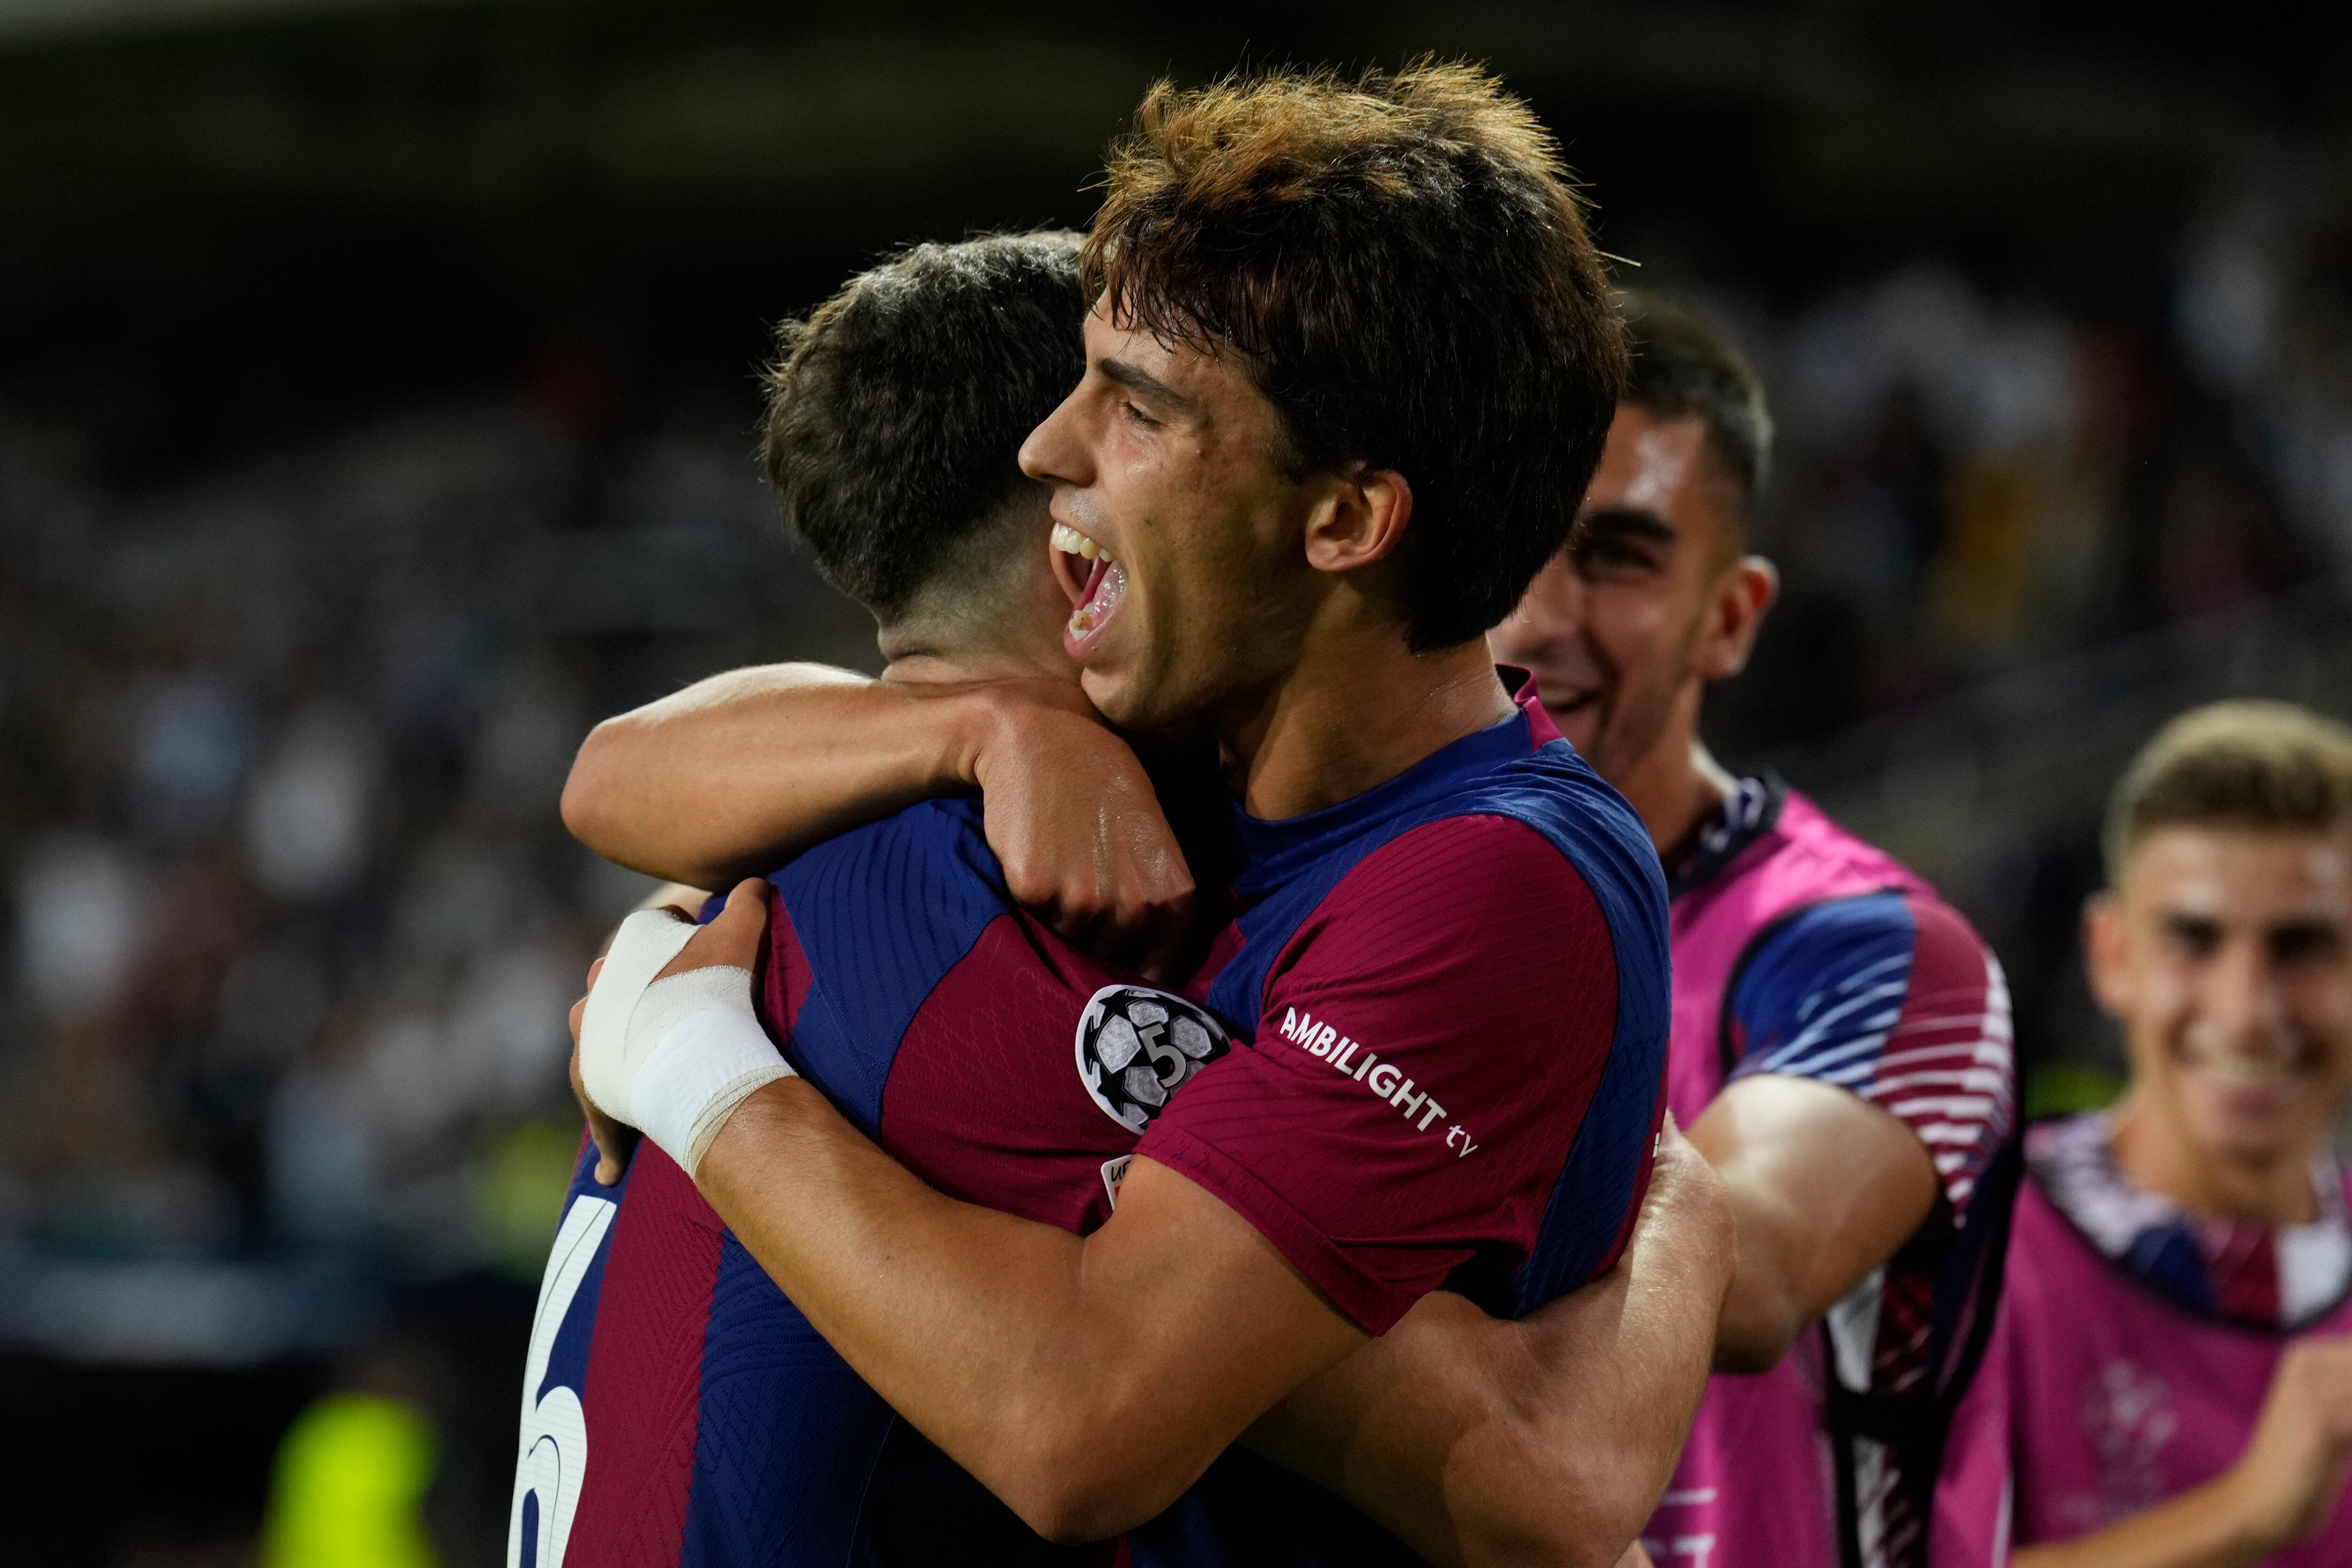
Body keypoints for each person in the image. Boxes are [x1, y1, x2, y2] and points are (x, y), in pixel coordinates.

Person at [540, 178, 1712, 1568]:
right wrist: (690, 1061)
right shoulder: (996, 932)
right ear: (1061, 563)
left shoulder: (810, 835)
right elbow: (1540, 1478)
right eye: (1085, 398)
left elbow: (608, 772)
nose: (1064, 446)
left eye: (1133, 408)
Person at [1485, 293, 2019, 1568]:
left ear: (1730, 614)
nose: (1543, 614)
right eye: (1511, 537)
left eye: (1617, 555)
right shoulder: (1355, 890)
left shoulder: (1879, 951)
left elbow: (1738, 1272)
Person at [1952, 701, 2352, 1567]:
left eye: (2303, 945)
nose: (2247, 1011)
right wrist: (2243, 1512)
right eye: (2193, 940)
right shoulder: (1970, 1250)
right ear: (2111, 955)